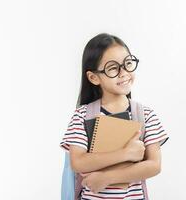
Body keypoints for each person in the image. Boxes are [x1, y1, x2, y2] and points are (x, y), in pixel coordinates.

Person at [60, 33, 169, 199]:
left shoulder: (145, 115)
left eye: (127, 63)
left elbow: (154, 165)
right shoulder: (82, 116)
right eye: (112, 68)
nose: (124, 72)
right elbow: (78, 162)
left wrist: (107, 178)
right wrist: (125, 154)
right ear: (94, 77)